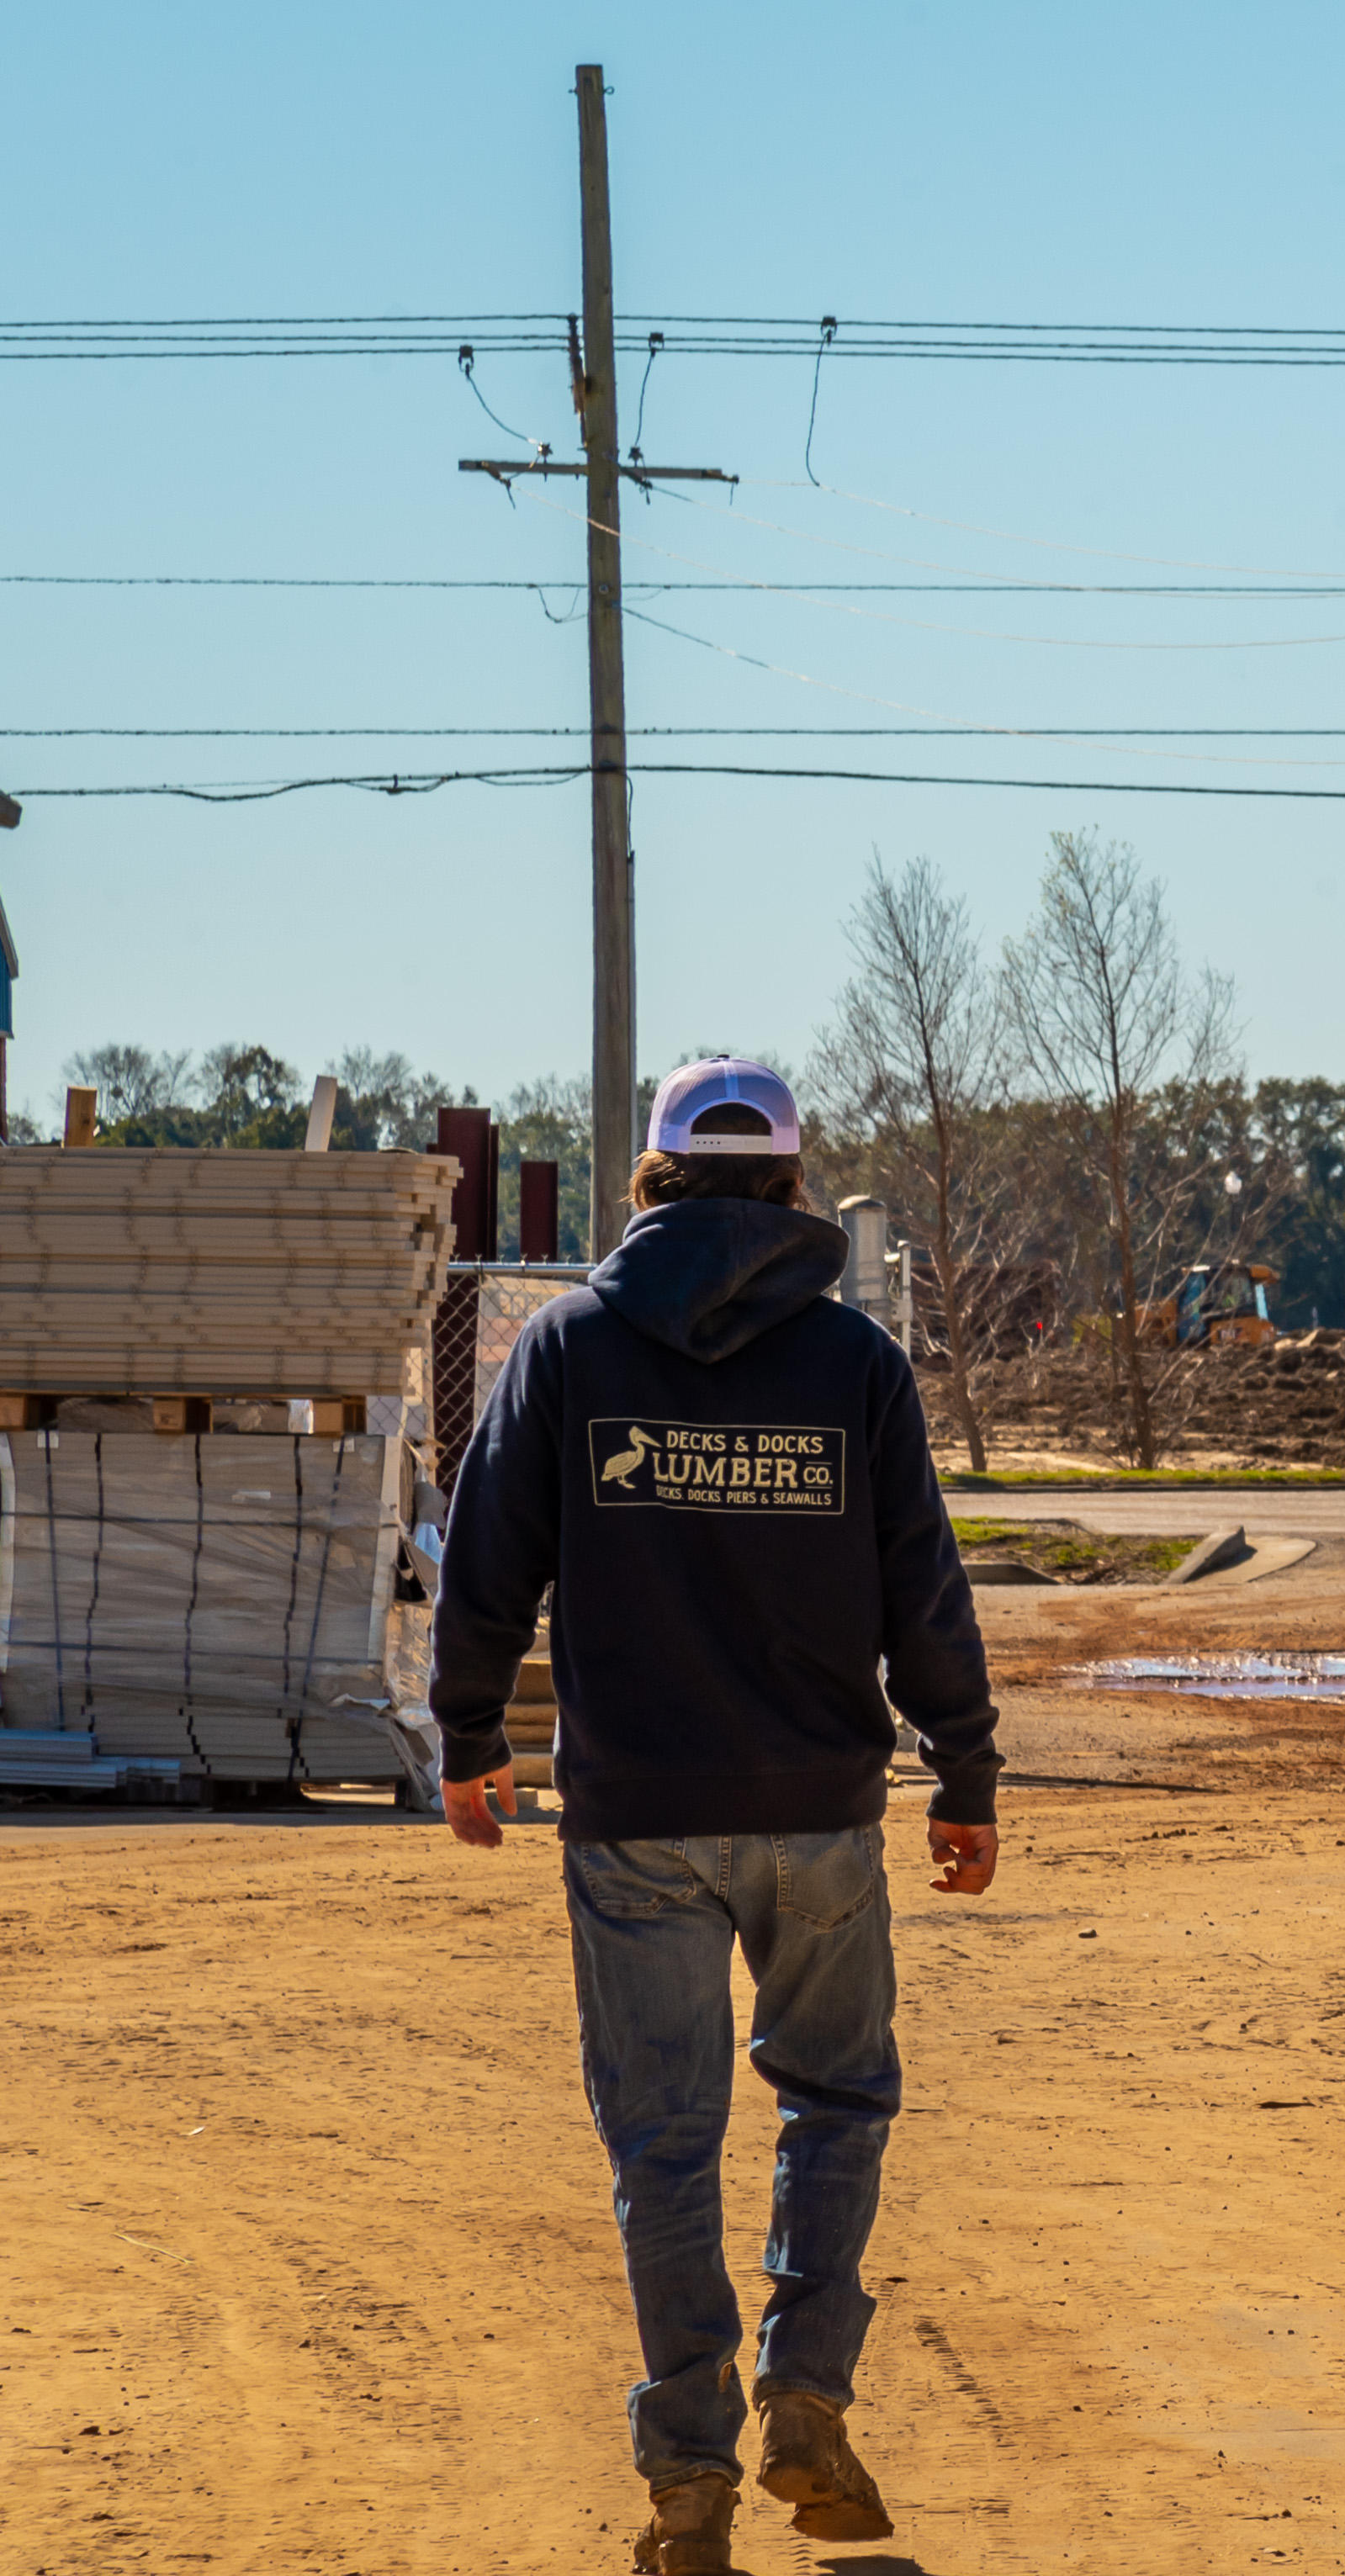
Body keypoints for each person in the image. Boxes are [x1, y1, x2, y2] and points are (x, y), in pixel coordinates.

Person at [431, 1057, 1003, 2575]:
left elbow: (487, 1558)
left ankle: (690, 2481)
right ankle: (806, 2396)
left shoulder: (566, 1351)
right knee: (836, 2099)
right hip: (818, 1809)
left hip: (634, 1816)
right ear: (793, 1190)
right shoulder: (854, 1367)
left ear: (649, 1183)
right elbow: (923, 1590)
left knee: (662, 2146)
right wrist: (964, 1772)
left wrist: (469, 1738)